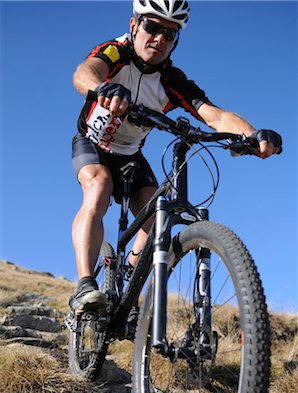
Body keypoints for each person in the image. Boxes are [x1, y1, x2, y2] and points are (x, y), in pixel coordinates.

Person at [69, 0, 282, 317]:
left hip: (131, 154)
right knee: (98, 186)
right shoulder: (116, 52)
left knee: (159, 217)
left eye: (169, 34)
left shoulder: (172, 80)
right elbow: (85, 72)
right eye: (152, 28)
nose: (158, 39)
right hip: (94, 144)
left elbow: (214, 114)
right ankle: (86, 286)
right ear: (134, 26)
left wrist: (253, 135)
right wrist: (103, 88)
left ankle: (128, 279)